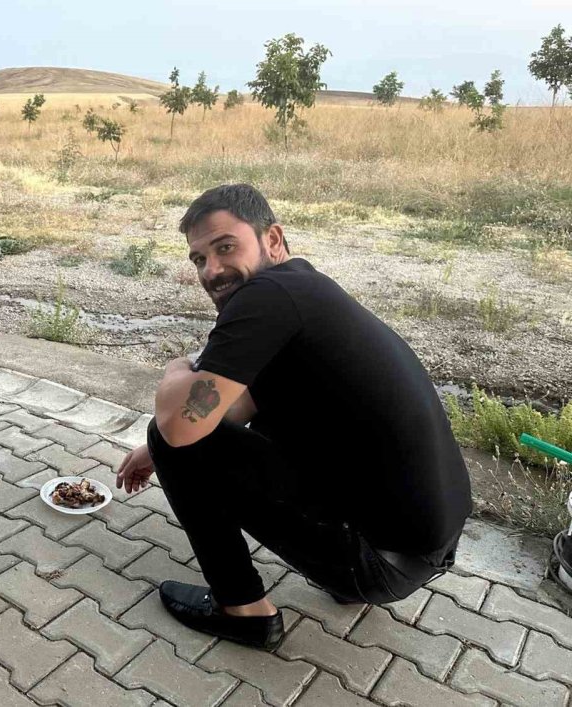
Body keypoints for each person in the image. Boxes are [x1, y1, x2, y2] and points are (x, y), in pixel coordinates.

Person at [115, 184, 472, 650]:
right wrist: (159, 453)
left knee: (169, 434)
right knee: (174, 441)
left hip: (379, 561)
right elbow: (233, 409)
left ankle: (242, 611)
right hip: (428, 545)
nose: (212, 271)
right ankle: (343, 583)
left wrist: (174, 374)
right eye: (199, 259)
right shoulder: (303, 288)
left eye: (225, 248)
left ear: (274, 239)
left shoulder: (263, 298)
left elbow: (183, 425)